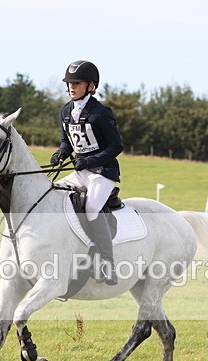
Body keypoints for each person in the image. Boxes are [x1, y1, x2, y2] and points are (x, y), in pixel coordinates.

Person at [51, 60, 123, 285]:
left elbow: (116, 146)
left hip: (103, 172)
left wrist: (91, 159)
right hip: (81, 170)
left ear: (91, 86)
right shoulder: (65, 111)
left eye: (77, 83)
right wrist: (61, 153)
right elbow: (67, 141)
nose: (72, 86)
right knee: (53, 194)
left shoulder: (101, 113)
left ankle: (108, 264)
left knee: (91, 208)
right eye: (69, 83)